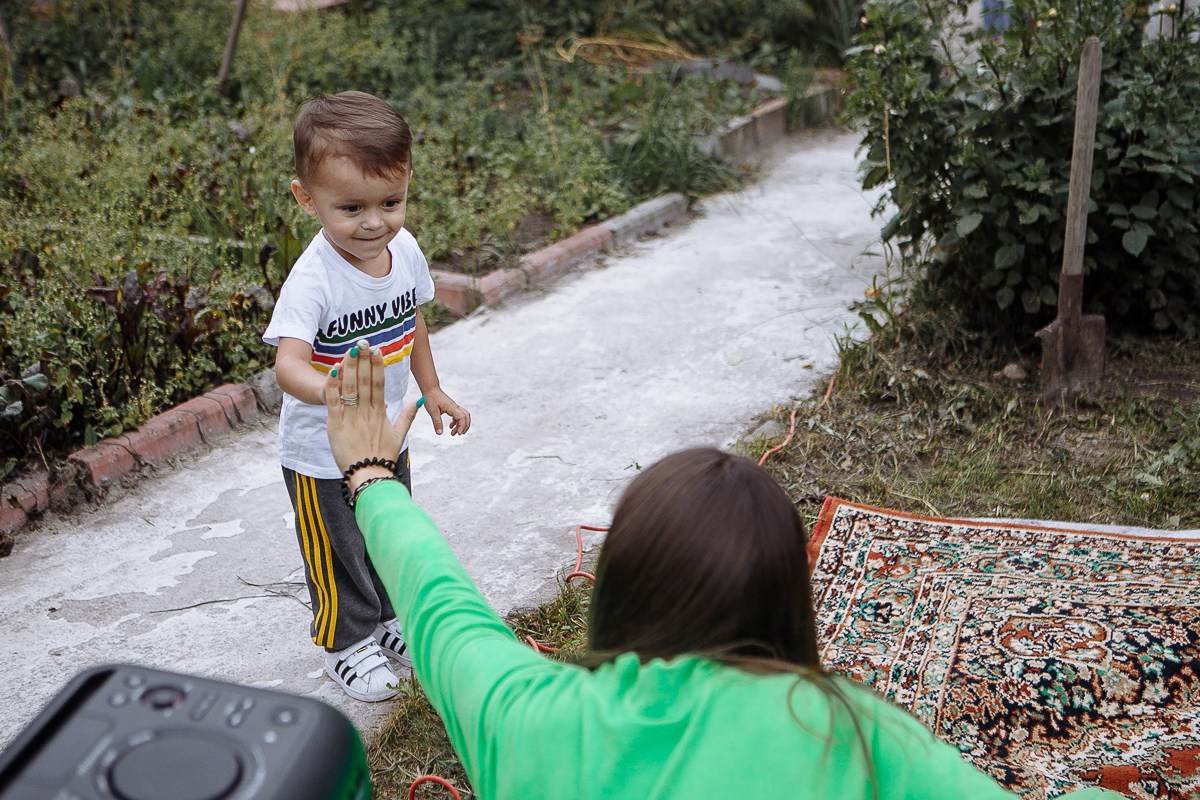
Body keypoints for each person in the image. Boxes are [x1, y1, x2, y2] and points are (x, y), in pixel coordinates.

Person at [322, 342, 1124, 798]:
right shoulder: (854, 734)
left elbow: (442, 609)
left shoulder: (532, 719)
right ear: (787, 600)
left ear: (620, 591)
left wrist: (369, 478)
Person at [262, 91, 470, 703]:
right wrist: (334, 392)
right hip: (322, 453)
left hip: (387, 436)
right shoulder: (314, 279)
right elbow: (287, 365)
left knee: (385, 528)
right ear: (307, 199)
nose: (374, 221)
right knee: (337, 548)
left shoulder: (401, 251)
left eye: (391, 202)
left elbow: (413, 323)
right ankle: (346, 640)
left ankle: (386, 619)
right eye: (351, 207)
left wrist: (430, 389)